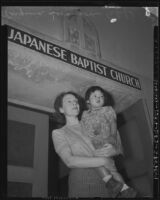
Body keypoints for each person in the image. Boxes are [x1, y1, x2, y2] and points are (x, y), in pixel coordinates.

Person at [52, 91, 122, 198]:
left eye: (76, 101)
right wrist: (103, 160)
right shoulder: (59, 133)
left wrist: (115, 150)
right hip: (83, 183)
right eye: (69, 101)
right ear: (61, 109)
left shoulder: (93, 121)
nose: (74, 103)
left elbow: (118, 147)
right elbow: (69, 161)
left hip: (113, 182)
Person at [81, 86, 137, 198]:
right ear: (88, 100)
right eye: (95, 96)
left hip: (105, 142)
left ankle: (123, 187)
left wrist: (112, 139)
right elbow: (83, 130)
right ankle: (121, 188)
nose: (99, 98)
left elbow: (113, 125)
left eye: (101, 96)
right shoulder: (84, 114)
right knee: (101, 165)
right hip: (93, 145)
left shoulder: (108, 109)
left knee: (111, 169)